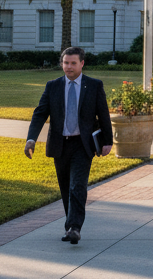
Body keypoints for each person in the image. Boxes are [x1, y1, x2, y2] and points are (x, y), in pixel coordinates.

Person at [25, 46, 113, 244]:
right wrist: (31, 138)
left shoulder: (94, 85)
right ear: (61, 64)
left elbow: (103, 114)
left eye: (73, 63)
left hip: (82, 145)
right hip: (60, 145)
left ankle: (74, 227)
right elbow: (40, 113)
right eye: (66, 63)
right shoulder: (53, 86)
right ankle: (70, 225)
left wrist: (108, 141)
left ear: (82, 64)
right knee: (66, 188)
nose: (69, 67)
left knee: (77, 186)